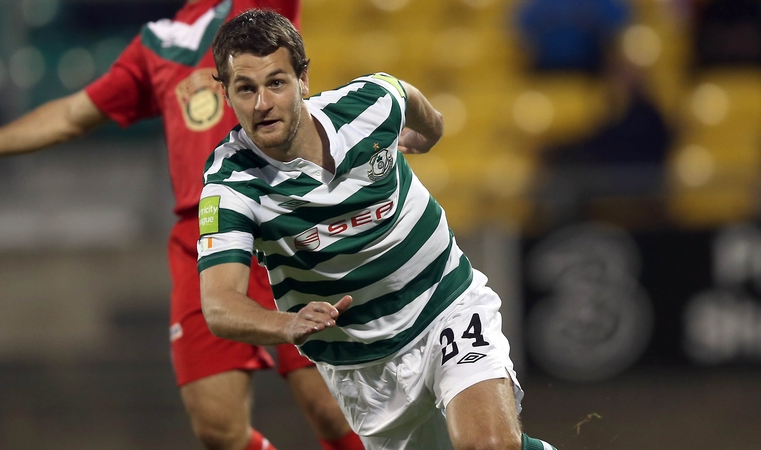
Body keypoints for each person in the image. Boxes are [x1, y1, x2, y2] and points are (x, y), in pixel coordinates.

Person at [0, 2, 362, 450]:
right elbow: (74, 114)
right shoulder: (158, 42)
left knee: (330, 409)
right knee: (217, 426)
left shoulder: (257, 8)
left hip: (284, 219)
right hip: (205, 234)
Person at [197, 9, 558, 450]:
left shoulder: (367, 104)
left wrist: (431, 133)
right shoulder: (230, 183)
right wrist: (285, 324)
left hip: (442, 304)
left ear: (303, 79)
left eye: (276, 82)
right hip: (362, 367)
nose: (262, 104)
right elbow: (218, 305)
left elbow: (406, 96)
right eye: (245, 89)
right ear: (225, 93)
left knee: (489, 445)